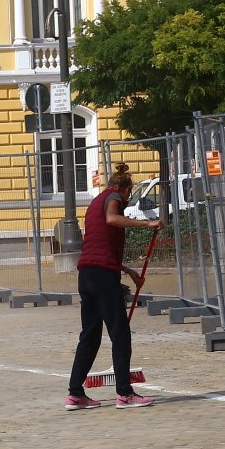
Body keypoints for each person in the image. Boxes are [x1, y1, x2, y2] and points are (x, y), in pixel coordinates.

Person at [67, 163, 153, 410]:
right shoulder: (114, 197)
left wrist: (127, 271)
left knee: (90, 336)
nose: (127, 199)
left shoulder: (95, 201)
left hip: (87, 274)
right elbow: (112, 219)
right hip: (103, 277)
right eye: (129, 194)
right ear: (123, 189)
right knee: (120, 334)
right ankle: (125, 394)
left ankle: (75, 394)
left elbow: (99, 247)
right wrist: (147, 224)